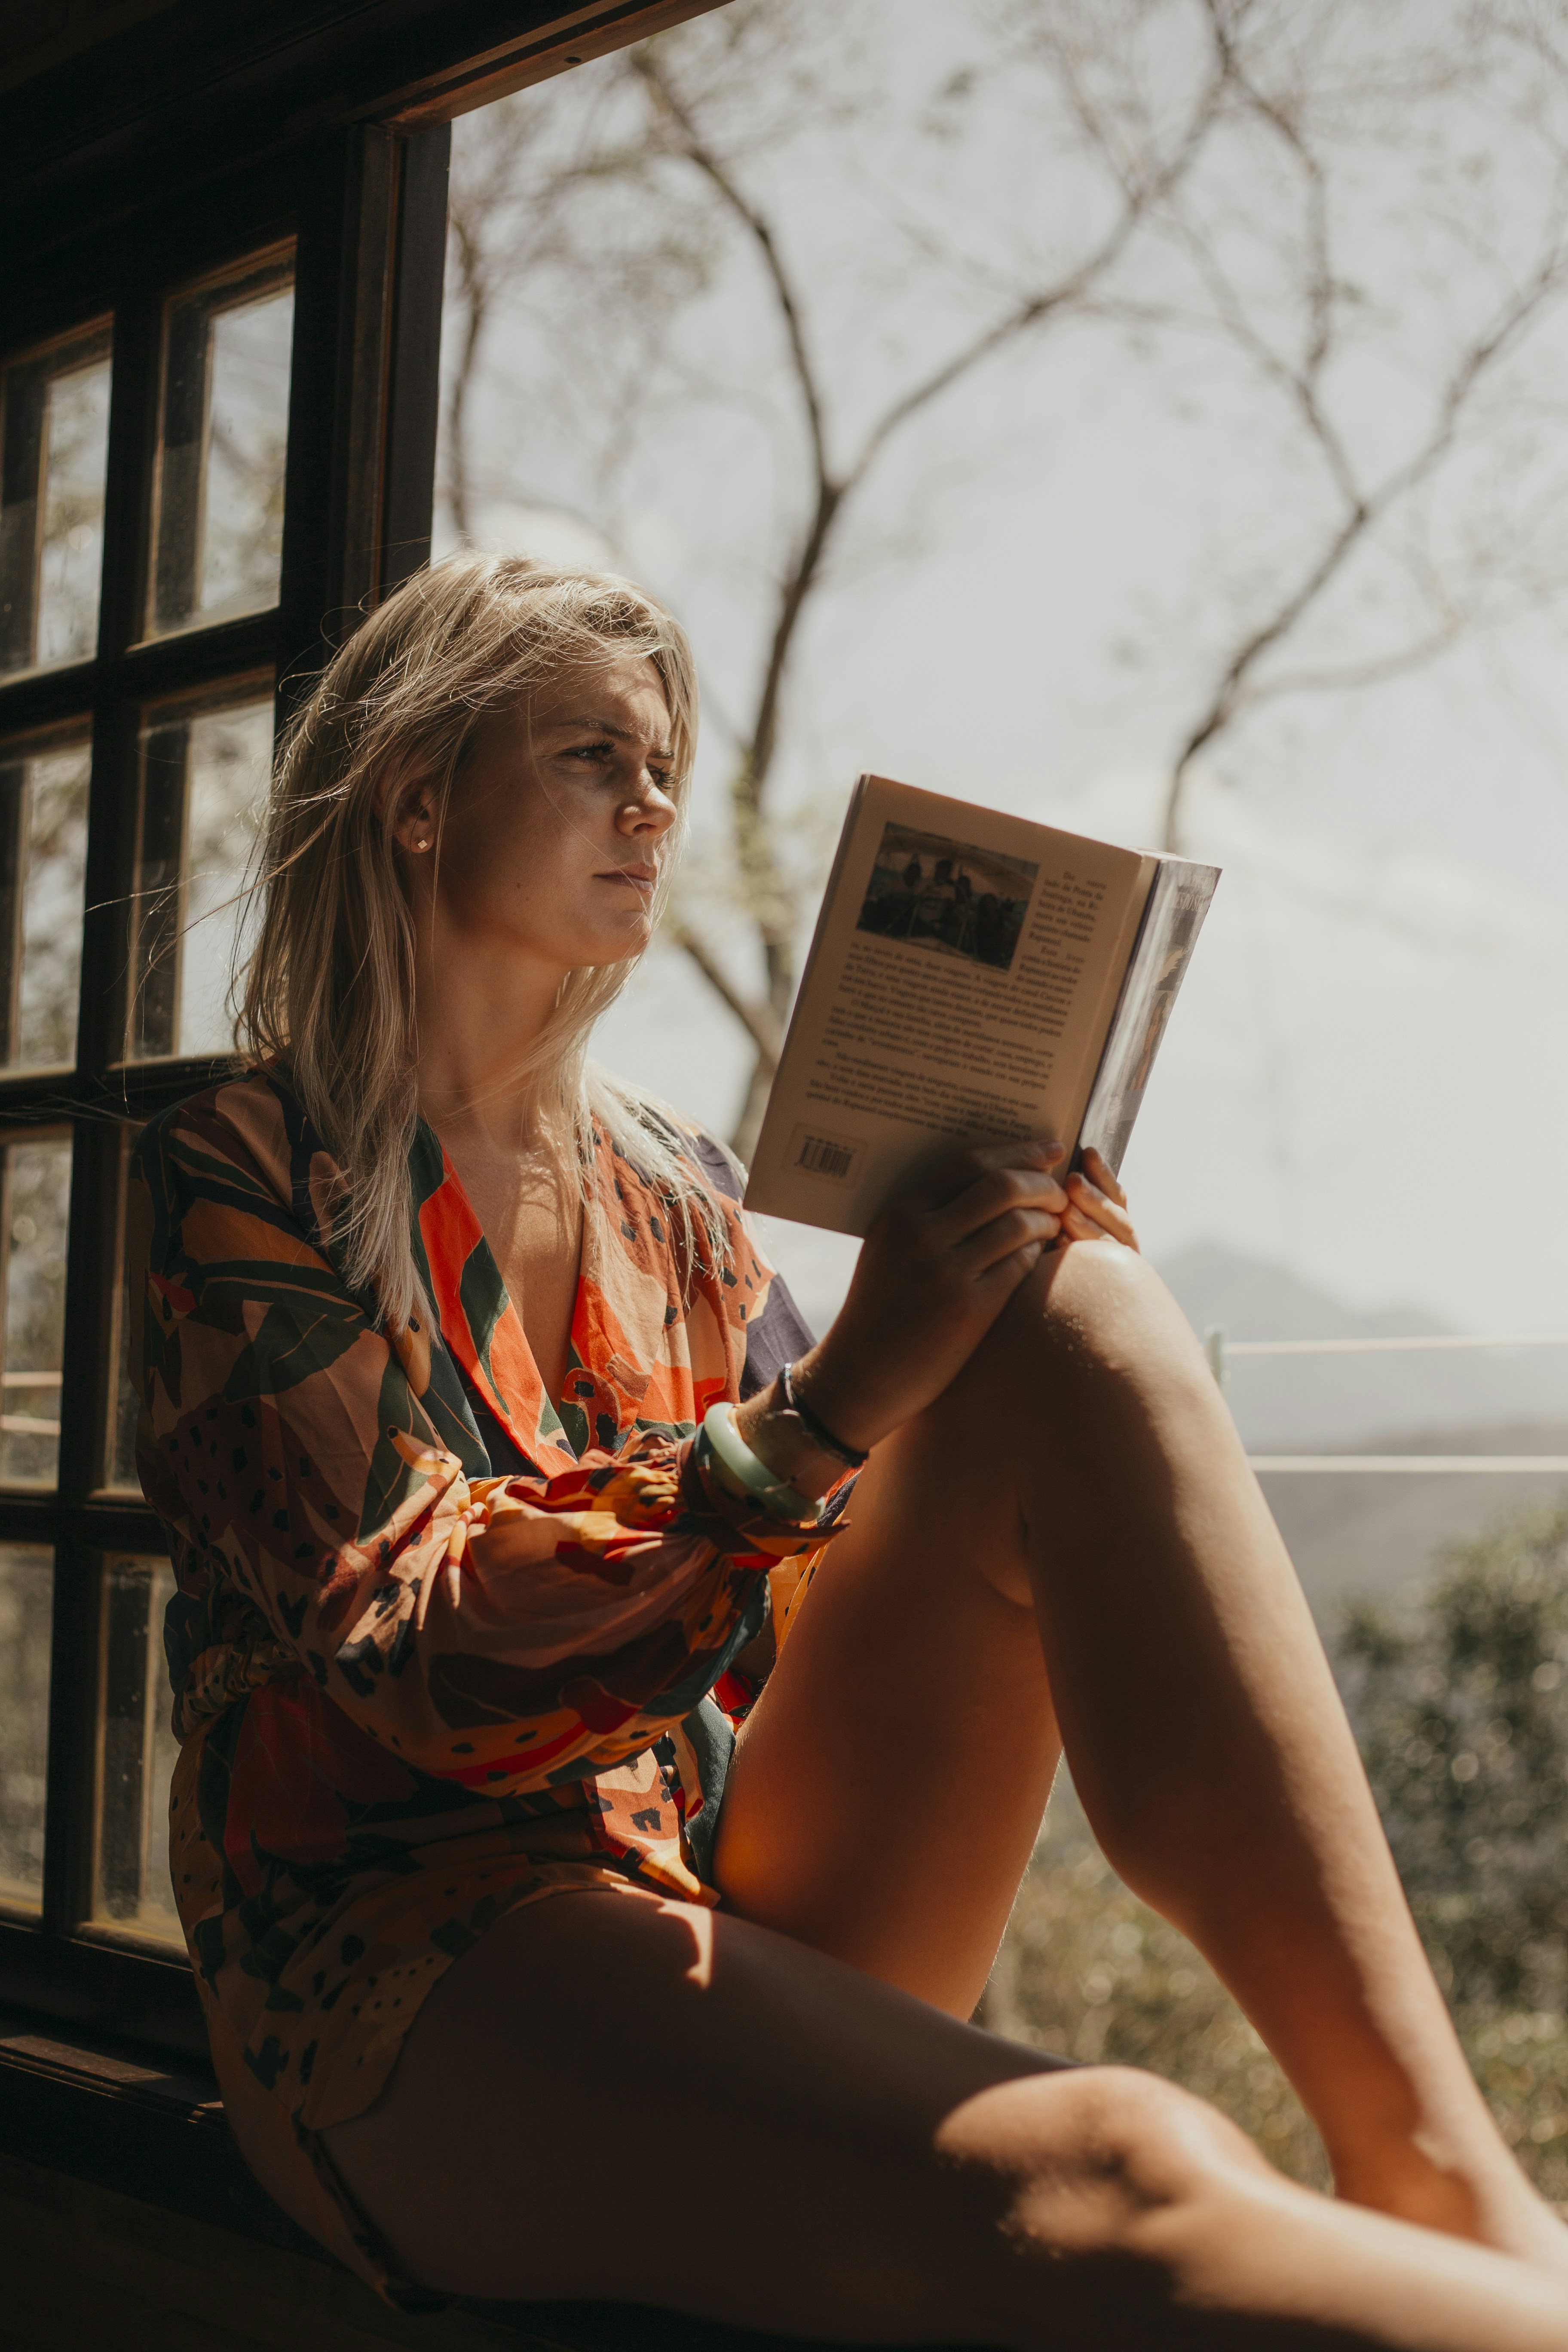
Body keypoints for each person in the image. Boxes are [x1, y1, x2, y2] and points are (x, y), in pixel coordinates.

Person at [131, 553, 1568, 2352]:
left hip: (713, 1873)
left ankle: (1439, 2169)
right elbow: (424, 1662)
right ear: (417, 800)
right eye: (593, 754)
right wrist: (825, 1417)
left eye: (664, 761)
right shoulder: (241, 1166)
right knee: (1121, 2153)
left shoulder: (680, 1197)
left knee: (1078, 1318)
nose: (654, 801)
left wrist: (991, 1320)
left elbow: (837, 1593)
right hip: (407, 1958)